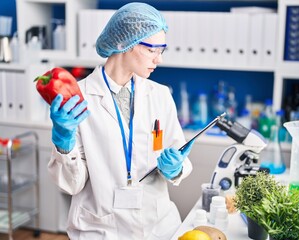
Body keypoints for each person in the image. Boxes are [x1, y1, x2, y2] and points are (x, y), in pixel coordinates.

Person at [47, 2, 194, 239]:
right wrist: (64, 145)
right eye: (151, 50)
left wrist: (175, 168)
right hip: (100, 228)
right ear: (123, 43)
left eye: (162, 50)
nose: (159, 60)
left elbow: (178, 154)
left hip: (157, 226)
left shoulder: (160, 95)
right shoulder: (77, 98)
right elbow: (71, 185)